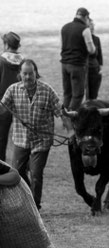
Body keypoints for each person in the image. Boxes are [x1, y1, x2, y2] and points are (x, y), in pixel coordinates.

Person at [1, 59, 68, 209]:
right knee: (17, 172)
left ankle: (35, 206)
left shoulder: (47, 90)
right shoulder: (13, 90)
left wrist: (70, 122)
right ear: (20, 74)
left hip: (42, 140)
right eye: (24, 73)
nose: (28, 77)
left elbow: (60, 111)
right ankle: (29, 196)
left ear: (36, 73)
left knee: (36, 173)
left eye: (31, 73)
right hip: (21, 139)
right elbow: (2, 108)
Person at [60, 7, 96, 111]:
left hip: (64, 64)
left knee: (67, 93)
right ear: (86, 17)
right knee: (78, 94)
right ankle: (71, 116)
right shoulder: (85, 29)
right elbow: (91, 49)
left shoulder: (64, 27)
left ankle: (65, 116)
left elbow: (61, 45)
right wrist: (94, 49)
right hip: (77, 65)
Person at [0, 31, 24, 161]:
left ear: (6, 44)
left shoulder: (1, 61)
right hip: (22, 106)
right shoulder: (25, 62)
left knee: (1, 140)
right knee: (23, 141)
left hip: (3, 106)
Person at [86, 19, 102, 100]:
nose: (92, 28)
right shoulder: (83, 39)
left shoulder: (96, 39)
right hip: (86, 68)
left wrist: (100, 67)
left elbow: (99, 55)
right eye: (90, 26)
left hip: (95, 68)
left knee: (94, 92)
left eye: (93, 26)